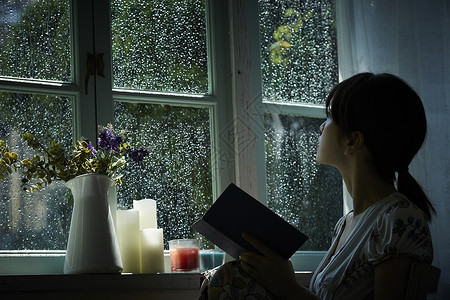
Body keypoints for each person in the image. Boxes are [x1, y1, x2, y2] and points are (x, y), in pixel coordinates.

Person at [198, 73, 435, 300]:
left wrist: (289, 287)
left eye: (330, 117)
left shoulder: (399, 218)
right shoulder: (346, 223)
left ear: (353, 140)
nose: (322, 127)